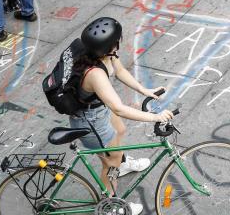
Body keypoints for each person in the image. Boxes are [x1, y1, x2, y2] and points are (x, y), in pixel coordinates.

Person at [69, 17, 174, 215]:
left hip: (98, 109)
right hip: (90, 121)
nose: (120, 42)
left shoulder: (104, 53)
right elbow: (119, 108)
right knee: (110, 161)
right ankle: (111, 206)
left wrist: (144, 90)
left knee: (120, 130)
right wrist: (155, 117)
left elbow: (119, 70)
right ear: (109, 45)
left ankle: (121, 165)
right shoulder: (94, 74)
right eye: (118, 40)